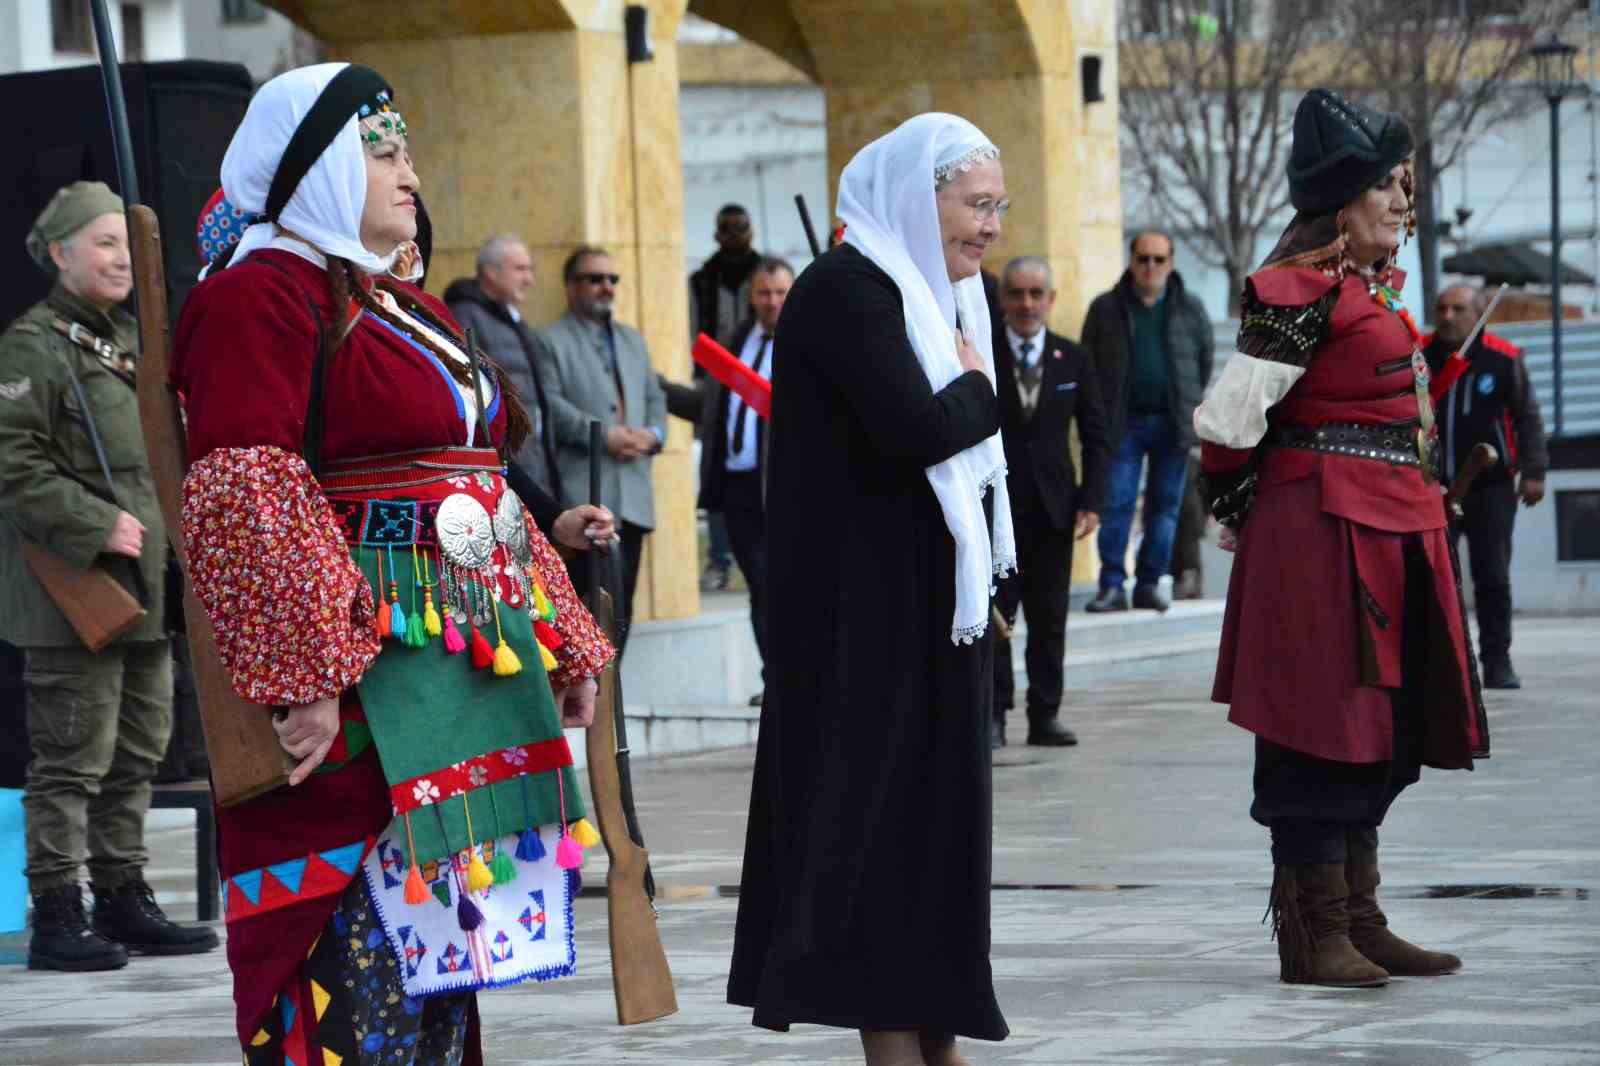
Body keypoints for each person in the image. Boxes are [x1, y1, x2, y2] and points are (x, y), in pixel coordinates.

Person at [170, 63, 615, 1062]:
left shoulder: (398, 305)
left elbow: (481, 487)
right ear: (318, 167)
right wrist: (310, 670)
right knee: (354, 974)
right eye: (384, 152)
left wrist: (558, 635)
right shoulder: (263, 298)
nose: (410, 175)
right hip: (362, 697)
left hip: (454, 680)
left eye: (408, 152)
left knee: (438, 982)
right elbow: (246, 484)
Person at [729, 113, 1013, 1065]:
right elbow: (918, 429)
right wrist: (978, 392)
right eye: (976, 205)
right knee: (880, 837)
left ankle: (940, 1038)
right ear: (914, 196)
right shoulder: (847, 290)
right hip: (865, 628)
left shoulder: (931, 301)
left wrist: (972, 389)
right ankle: (894, 1046)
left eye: (996, 206)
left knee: (940, 837)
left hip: (932, 618)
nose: (991, 227)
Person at [1194, 89, 1487, 988]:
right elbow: (1227, 428)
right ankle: (1314, 932)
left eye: (1404, 187)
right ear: (1339, 205)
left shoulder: (1371, 294)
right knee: (1320, 732)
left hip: (1389, 533)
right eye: (1386, 188)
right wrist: (1255, 521)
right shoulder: (1296, 293)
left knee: (1379, 729)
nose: (1403, 202)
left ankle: (1359, 917)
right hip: (1319, 542)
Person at [0, 180, 219, 972]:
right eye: (103, 244)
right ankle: (58, 910)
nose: (121, 259)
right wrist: (95, 523)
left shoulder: (131, 342)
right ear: (60, 255)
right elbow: (13, 461)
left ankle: (124, 896)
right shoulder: (35, 345)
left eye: (126, 246)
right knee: (71, 757)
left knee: (137, 751)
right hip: (76, 591)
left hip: (146, 586)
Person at [989, 255, 1110, 749]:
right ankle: (993, 714)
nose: (1026, 304)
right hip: (995, 511)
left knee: (1050, 619)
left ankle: (1045, 714)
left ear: (1051, 300)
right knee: (994, 617)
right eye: (1017, 293)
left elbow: (1098, 436)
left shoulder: (1072, 358)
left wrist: (1092, 501)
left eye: (1036, 294)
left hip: (1054, 511)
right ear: (1003, 299)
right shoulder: (979, 352)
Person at [668, 257, 792, 705]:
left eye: (781, 292)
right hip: (737, 488)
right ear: (752, 296)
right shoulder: (736, 339)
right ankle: (776, 678)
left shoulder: (805, 343)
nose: (773, 301)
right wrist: (661, 391)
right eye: (764, 292)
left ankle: (789, 678)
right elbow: (713, 408)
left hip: (782, 488)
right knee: (760, 585)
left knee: (779, 584)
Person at [535, 246, 667, 645]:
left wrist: (654, 435)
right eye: (595, 279)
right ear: (571, 287)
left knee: (621, 614)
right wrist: (604, 434)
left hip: (635, 494)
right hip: (586, 495)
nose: (606, 287)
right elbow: (550, 405)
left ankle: (610, 705)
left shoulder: (632, 339)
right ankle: (589, 705)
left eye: (612, 279)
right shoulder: (550, 341)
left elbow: (656, 396)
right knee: (589, 612)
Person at [1081, 230, 1213, 613]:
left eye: (1158, 259)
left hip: (1172, 424)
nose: (1150, 267)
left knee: (1165, 508)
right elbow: (1088, 362)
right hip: (1122, 424)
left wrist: (1186, 405)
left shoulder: (1190, 309)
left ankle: (1150, 584)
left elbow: (1201, 363)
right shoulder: (1106, 309)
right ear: (1131, 261)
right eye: (1143, 259)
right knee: (1117, 503)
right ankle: (1111, 586)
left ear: (1171, 263)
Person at [1422, 285, 1547, 690]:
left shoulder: (1504, 358)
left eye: (1458, 309)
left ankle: (1497, 661)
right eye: (1442, 309)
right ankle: (1444, 666)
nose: (1448, 316)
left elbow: (1527, 417)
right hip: (1431, 487)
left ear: (1478, 315)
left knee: (1492, 577)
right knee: (1433, 578)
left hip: (1490, 487)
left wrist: (1534, 471)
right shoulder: (1417, 357)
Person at [444, 234, 562, 498]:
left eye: (530, 269)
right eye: (520, 268)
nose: (529, 279)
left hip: (532, 463)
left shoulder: (511, 320)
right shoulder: (465, 316)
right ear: (490, 272)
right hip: (502, 471)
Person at [689, 204, 761, 593]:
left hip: (762, 376)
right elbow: (691, 329)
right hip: (716, 386)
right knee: (717, 466)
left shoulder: (767, 273)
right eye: (727, 228)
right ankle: (719, 558)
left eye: (740, 227)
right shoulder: (702, 279)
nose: (734, 234)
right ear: (716, 234)